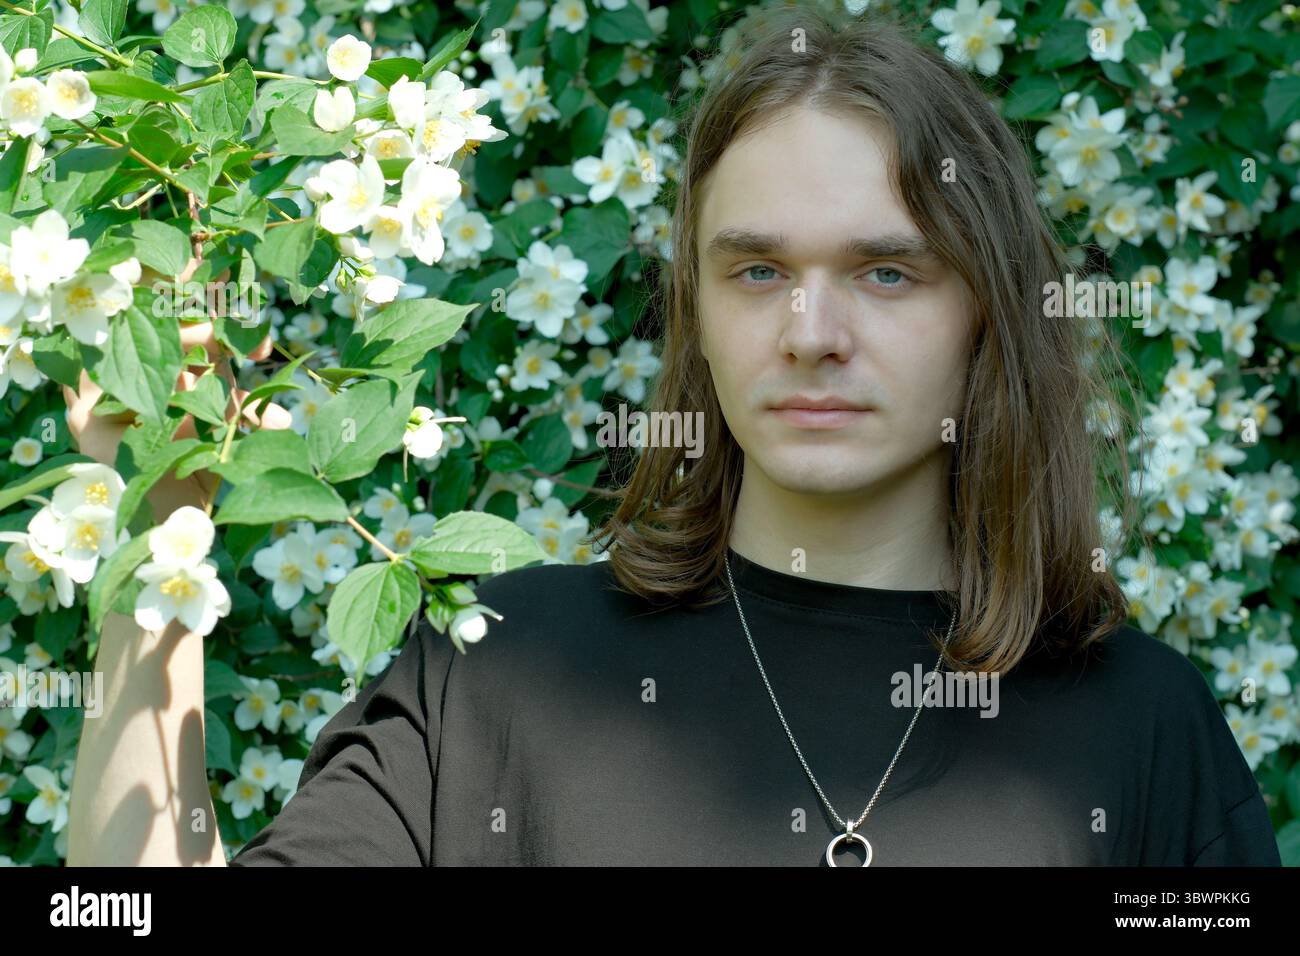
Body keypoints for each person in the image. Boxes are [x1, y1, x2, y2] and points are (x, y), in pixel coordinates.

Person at [66, 4, 1281, 866]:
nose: (810, 331)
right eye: (756, 269)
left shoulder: (1141, 729)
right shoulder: (497, 671)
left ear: (987, 313)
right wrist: (150, 545)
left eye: (887, 272)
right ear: (695, 307)